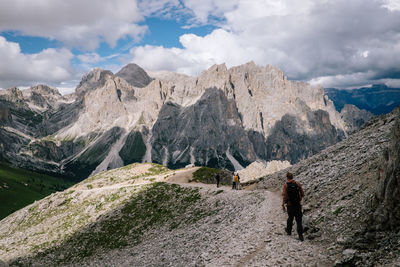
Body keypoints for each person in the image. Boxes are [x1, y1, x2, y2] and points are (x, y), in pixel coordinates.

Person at [282, 172, 305, 241]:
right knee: (299, 220)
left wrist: (283, 204)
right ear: (292, 177)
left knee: (290, 218)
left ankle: (289, 231)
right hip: (297, 204)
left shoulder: (285, 185)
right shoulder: (297, 183)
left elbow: (284, 196)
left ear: (287, 177)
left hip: (290, 205)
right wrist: (300, 198)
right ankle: (300, 236)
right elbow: (302, 193)